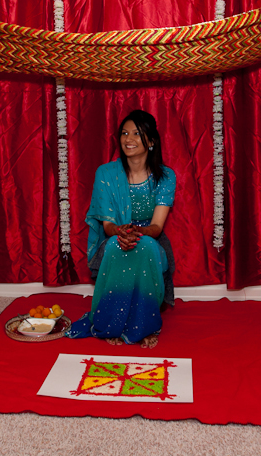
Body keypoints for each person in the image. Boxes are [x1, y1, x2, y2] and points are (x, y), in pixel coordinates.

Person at [66, 110, 176, 348]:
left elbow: (156, 227)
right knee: (117, 246)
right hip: (115, 236)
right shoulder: (106, 173)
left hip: (149, 238)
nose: (129, 139)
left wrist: (138, 232)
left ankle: (145, 326)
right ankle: (110, 324)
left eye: (137, 133)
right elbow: (107, 225)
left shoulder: (166, 177)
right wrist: (120, 232)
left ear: (152, 141)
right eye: (125, 133)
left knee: (145, 246)